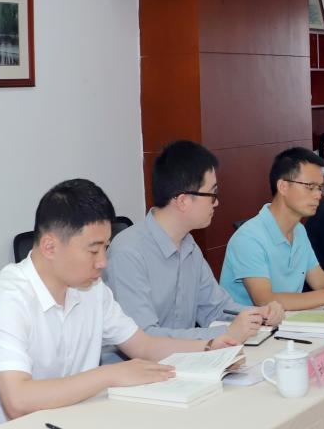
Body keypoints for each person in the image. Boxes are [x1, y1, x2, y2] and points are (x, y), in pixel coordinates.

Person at [0, 179, 252, 429]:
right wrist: (110, 375)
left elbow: (144, 346)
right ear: (50, 247)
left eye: (106, 247)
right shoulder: (7, 300)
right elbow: (18, 400)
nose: (103, 261)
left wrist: (208, 348)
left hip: (71, 424)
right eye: (93, 250)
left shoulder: (91, 289)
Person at [104, 140, 279, 352]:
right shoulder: (128, 252)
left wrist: (259, 315)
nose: (216, 202)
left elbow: (216, 309)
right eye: (212, 194)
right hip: (136, 367)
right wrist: (224, 334)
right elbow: (144, 337)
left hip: (186, 361)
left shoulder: (188, 244)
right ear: (183, 201)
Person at [220, 147, 324, 311]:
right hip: (248, 326)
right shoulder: (248, 238)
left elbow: (320, 281)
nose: (318, 195)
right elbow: (265, 300)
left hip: (288, 320)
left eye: (320, 187)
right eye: (310, 186)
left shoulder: (298, 230)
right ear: (283, 186)